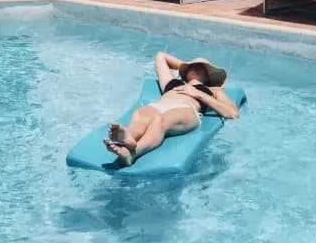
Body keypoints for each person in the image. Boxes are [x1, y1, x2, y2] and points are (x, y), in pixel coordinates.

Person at [102, 51, 239, 166]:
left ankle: (132, 153)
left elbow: (233, 113)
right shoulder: (172, 83)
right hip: (159, 105)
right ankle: (127, 138)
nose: (195, 68)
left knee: (160, 120)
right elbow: (160, 56)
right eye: (193, 66)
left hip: (186, 109)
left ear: (208, 76)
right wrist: (184, 66)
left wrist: (199, 94)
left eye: (201, 68)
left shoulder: (213, 90)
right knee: (139, 114)